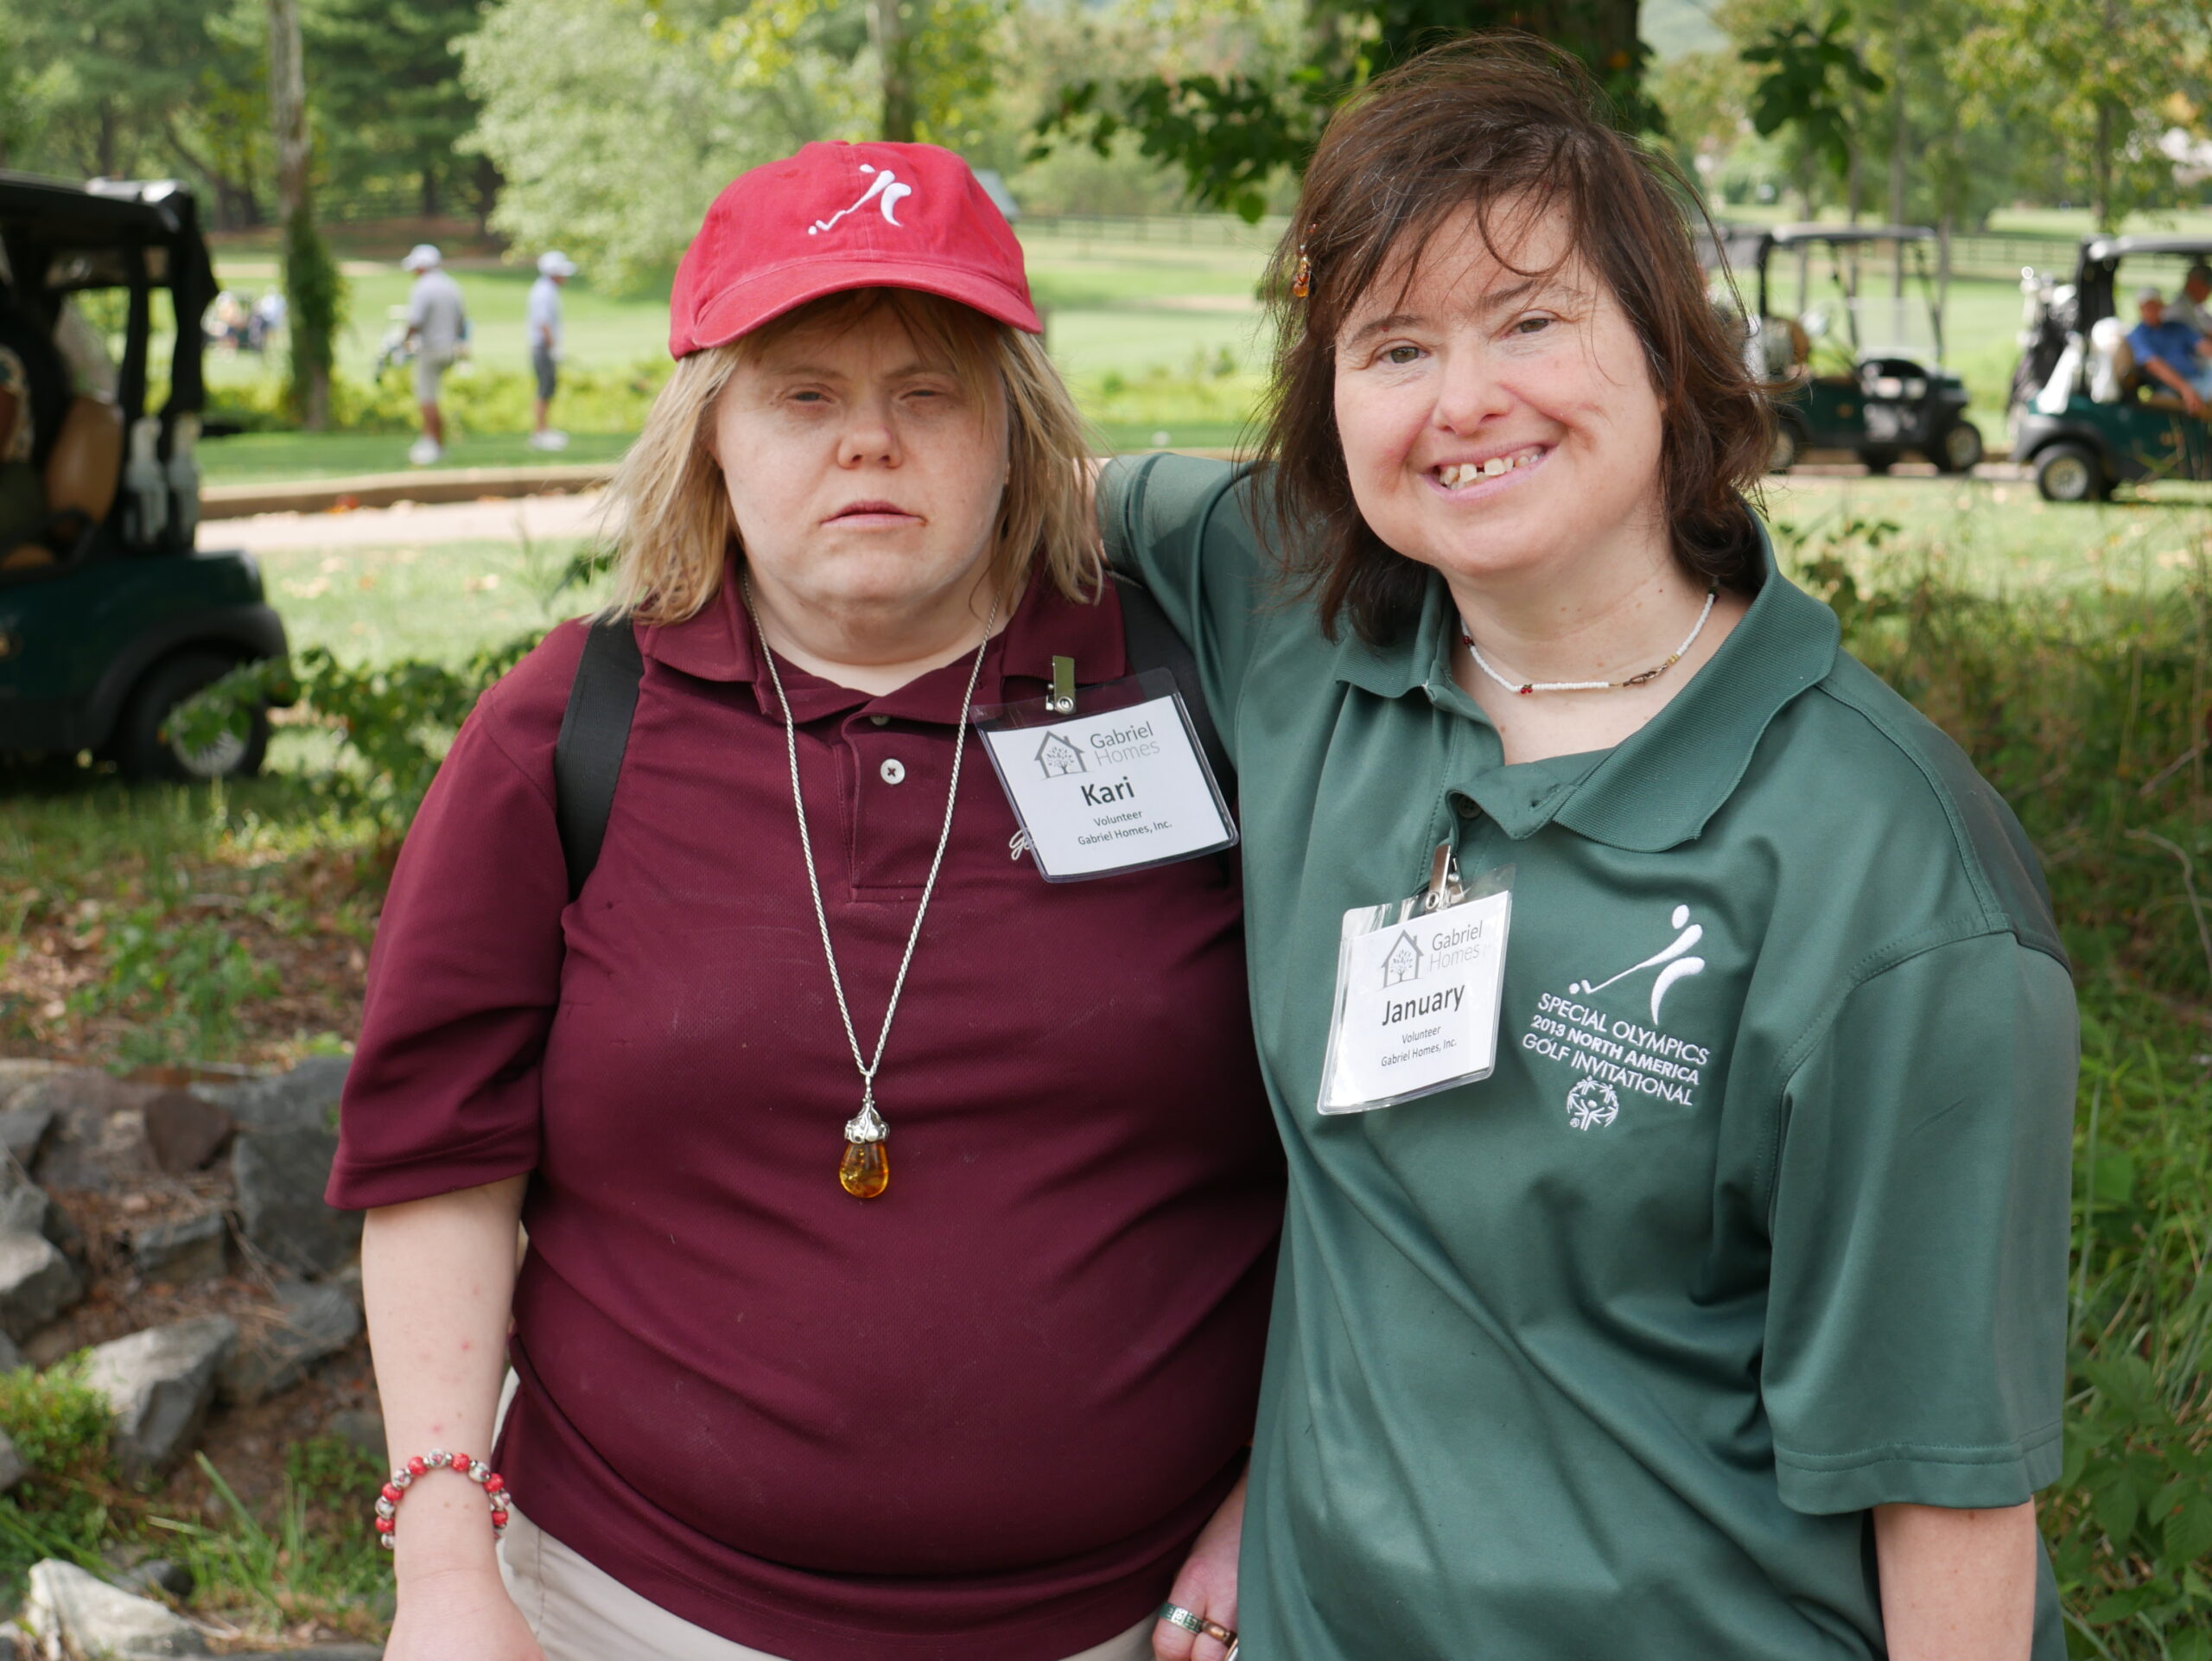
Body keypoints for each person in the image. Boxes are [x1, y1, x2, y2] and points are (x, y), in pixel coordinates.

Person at [1102, 36, 2075, 1661]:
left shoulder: (1888, 884)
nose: (1464, 400)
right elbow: (963, 488)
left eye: (1534, 321)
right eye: (1394, 345)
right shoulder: (1297, 622)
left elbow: (1952, 1495)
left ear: (1674, 356)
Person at [334, 141, 1278, 1661]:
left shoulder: (1196, 696)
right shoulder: (569, 729)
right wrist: (446, 1560)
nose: (871, 446)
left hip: (1147, 1620)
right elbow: (440, 1160)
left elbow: (1359, 1160)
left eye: (930, 391)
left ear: (1018, 431)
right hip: (621, 1609)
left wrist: (1275, 1492)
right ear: (710, 434)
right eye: (805, 394)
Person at [401, 243, 467, 465]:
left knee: (426, 398)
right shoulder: (451, 285)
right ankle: (434, 443)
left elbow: (415, 322)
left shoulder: (423, 288)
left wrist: (403, 343)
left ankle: (432, 443)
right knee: (433, 397)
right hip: (450, 348)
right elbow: (461, 322)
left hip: (430, 349)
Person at [2125, 285, 2212, 416]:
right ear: (2140, 309)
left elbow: (2205, 347)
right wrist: (2185, 389)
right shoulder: (2137, 336)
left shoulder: (2177, 327)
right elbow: (2155, 366)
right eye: (2147, 307)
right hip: (2171, 387)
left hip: (2200, 377)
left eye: (2154, 305)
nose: (2151, 310)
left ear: (2162, 306)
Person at [525, 251, 575, 452]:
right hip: (543, 347)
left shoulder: (546, 290)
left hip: (544, 347)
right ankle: (540, 433)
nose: (566, 277)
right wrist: (553, 347)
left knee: (548, 389)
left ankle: (544, 430)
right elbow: (543, 323)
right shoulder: (544, 292)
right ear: (553, 273)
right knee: (544, 389)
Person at [2168, 263, 2212, 335]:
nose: (2209, 292)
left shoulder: (2194, 305)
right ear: (2194, 284)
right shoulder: (2180, 307)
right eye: (2207, 287)